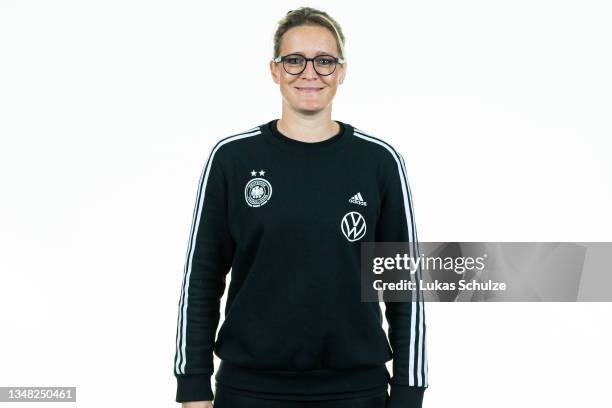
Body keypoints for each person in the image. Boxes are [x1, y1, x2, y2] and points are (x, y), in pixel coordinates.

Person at [173, 6, 428, 408]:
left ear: (342, 72)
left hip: (356, 392)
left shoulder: (379, 162)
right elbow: (202, 278)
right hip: (250, 391)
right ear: (274, 70)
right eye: (294, 60)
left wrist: (410, 393)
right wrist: (193, 385)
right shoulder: (232, 159)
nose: (310, 72)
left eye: (324, 61)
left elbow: (404, 288)